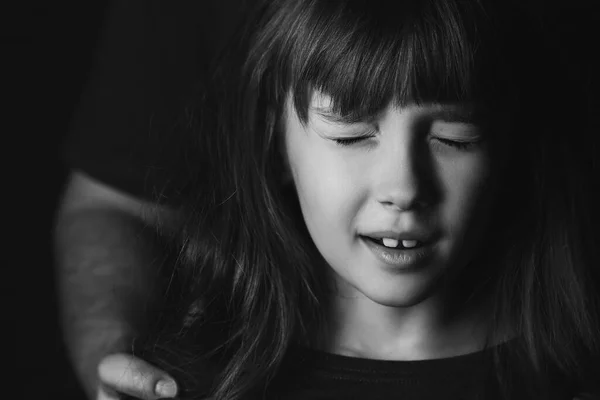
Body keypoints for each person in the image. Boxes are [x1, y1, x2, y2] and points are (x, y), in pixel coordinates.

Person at [58, 0, 600, 399]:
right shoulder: (197, 381)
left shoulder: (571, 374)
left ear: (508, 148)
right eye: (350, 135)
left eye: (454, 138)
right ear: (276, 145)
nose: (403, 189)